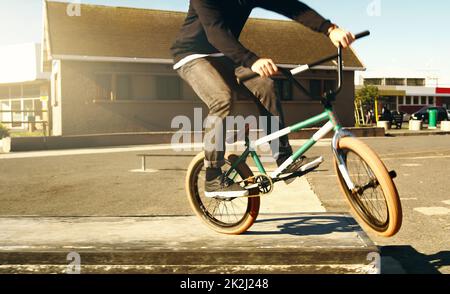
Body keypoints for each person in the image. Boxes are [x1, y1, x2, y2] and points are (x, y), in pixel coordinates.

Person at [171, 0, 355, 198]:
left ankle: (283, 158)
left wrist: (330, 29)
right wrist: (252, 60)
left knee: (265, 84)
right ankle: (213, 177)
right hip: (191, 55)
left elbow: (291, 7)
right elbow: (215, 31)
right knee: (222, 99)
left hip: (224, 56)